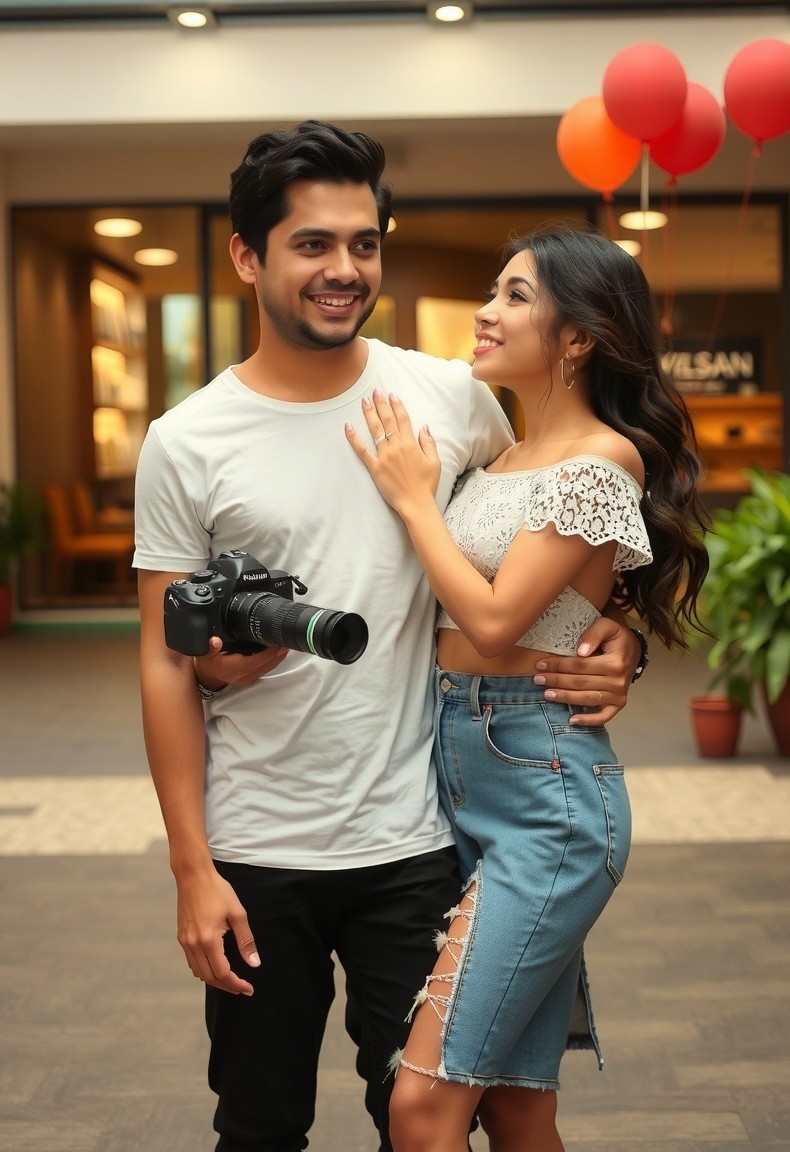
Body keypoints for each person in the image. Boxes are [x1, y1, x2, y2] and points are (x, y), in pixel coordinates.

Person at [133, 121, 643, 1152]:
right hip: (256, 845)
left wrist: (611, 633)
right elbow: (160, 657)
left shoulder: (449, 396)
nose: (343, 268)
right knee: (259, 1122)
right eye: (312, 244)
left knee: (422, 1116)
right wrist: (192, 866)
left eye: (363, 243)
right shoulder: (187, 441)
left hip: (421, 831)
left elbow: (545, 523)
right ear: (248, 255)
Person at [346, 227, 708, 1152]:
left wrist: (415, 499)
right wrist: (620, 633)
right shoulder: (498, 454)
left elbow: (500, 621)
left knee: (422, 1110)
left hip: (546, 792)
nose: (486, 310)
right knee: (515, 1106)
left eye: (514, 295)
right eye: (493, 291)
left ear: (579, 336)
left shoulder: (601, 462)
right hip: (456, 771)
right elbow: (563, 609)